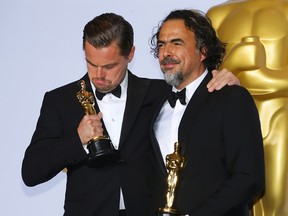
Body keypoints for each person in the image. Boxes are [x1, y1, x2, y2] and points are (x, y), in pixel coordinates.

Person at [21, 13, 240, 216]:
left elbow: (199, 94)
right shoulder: (60, 100)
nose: (98, 75)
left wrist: (226, 81)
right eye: (91, 64)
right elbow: (31, 173)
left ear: (130, 54)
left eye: (109, 66)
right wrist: (78, 140)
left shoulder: (160, 92)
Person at [150, 9, 265, 216]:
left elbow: (248, 178)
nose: (166, 52)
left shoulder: (231, 98)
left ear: (203, 51)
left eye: (177, 43)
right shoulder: (152, 104)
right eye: (161, 44)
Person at [207, 1, 288, 215]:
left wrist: (252, 76)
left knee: (275, 204)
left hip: (278, 121)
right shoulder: (218, 14)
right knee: (223, 200)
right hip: (226, 125)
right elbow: (203, 76)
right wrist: (235, 64)